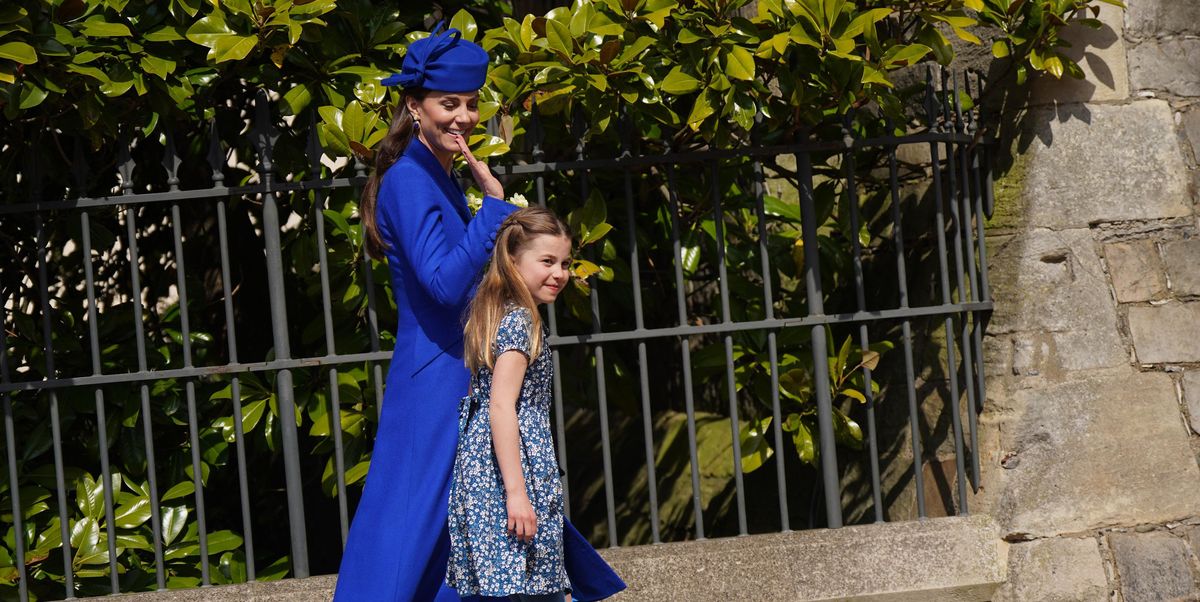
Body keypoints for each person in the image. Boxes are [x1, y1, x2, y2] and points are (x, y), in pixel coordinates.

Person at [333, 25, 624, 602]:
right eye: (449, 104)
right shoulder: (410, 180)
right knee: (406, 535)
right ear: (414, 107)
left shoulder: (431, 174)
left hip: (453, 373)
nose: (465, 117)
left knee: (455, 532)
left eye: (471, 104)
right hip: (434, 381)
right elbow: (443, 286)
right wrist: (492, 209)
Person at [447, 208, 578, 601]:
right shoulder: (521, 321)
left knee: (505, 588)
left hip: (489, 472)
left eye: (565, 263)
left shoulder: (497, 313)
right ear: (514, 261)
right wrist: (516, 493)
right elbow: (502, 406)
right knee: (531, 587)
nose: (560, 273)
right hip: (508, 474)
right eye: (547, 261)